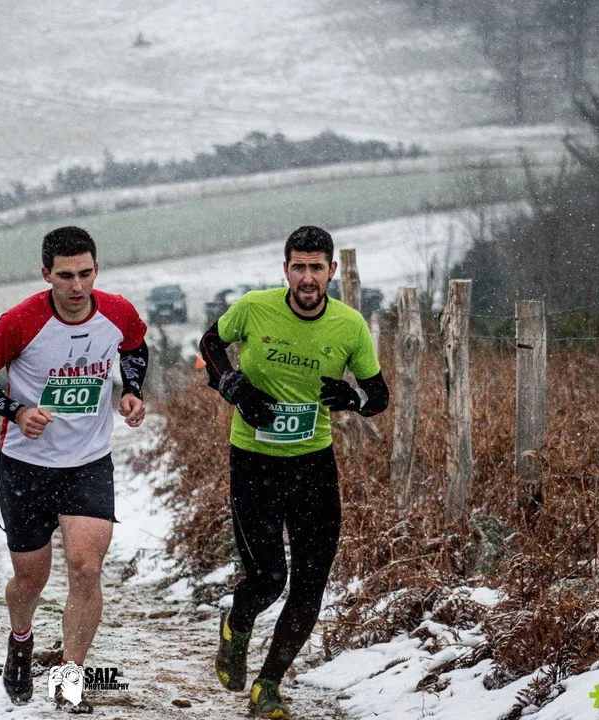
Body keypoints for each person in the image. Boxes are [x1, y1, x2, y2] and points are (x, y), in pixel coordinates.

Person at [198, 225, 389, 719]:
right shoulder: (254, 308)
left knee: (309, 586)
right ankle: (237, 625)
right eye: (298, 267)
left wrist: (353, 398)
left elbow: (379, 397)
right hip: (254, 464)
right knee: (267, 579)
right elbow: (210, 343)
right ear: (285, 270)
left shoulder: (349, 326)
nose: (307, 277)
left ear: (332, 271)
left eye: (316, 268)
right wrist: (232, 384)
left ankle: (268, 686)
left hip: (313, 467)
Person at [0, 225, 149, 713]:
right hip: (26, 466)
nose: (77, 286)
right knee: (30, 580)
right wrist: (18, 412)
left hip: (88, 462)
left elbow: (134, 347)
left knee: (86, 570)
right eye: (65, 276)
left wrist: (132, 390)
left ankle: (69, 682)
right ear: (46, 274)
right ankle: (20, 639)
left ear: (96, 270)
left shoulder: (118, 312)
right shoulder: (19, 321)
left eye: (85, 274)